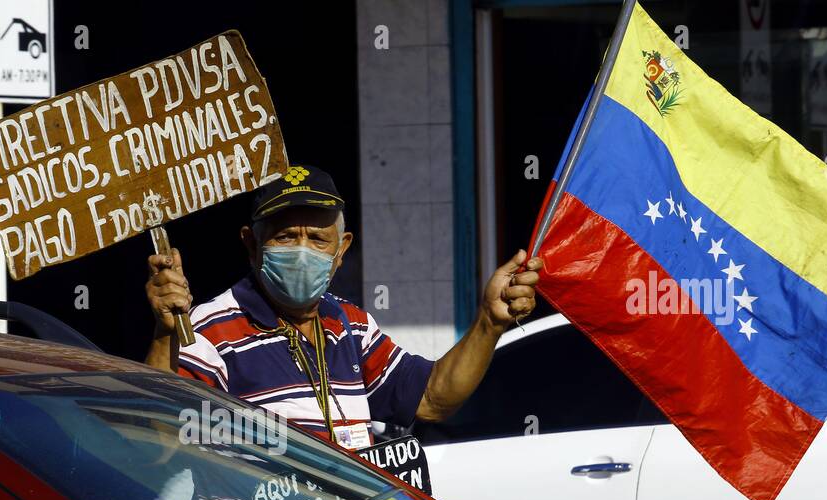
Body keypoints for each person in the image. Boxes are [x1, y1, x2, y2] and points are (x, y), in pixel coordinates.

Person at [144, 164, 542, 447]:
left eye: (317, 239)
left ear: (341, 250)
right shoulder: (207, 329)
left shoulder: (349, 323)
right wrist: (165, 335)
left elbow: (432, 398)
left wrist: (489, 323)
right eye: (285, 237)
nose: (302, 251)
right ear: (251, 244)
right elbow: (163, 439)